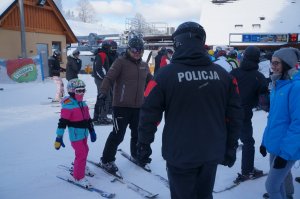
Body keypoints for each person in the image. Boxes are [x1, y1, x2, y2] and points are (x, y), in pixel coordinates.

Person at [136, 21, 243, 199]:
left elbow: (149, 114)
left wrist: (143, 144)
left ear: (177, 43)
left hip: (180, 153)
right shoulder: (224, 76)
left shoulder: (164, 75)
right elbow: (235, 115)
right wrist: (230, 146)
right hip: (211, 152)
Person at [98, 37, 153, 173]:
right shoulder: (120, 62)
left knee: (138, 134)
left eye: (140, 50)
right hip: (121, 106)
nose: (137, 53)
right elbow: (109, 78)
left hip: (138, 107)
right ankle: (106, 160)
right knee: (118, 134)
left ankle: (137, 155)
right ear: (128, 49)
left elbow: (151, 82)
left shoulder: (144, 65)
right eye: (134, 50)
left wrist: (160, 92)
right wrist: (103, 93)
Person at [260, 47, 300, 199]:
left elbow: (298, 124)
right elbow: (273, 118)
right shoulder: (278, 85)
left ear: (287, 64)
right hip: (276, 144)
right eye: (272, 63)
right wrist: (265, 141)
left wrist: (285, 153)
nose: (273, 66)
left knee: (271, 185)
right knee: (279, 183)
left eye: (277, 63)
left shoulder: (296, 87)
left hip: (287, 148)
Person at [230, 46, 268, 183]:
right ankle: (247, 171)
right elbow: (264, 101)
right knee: (248, 142)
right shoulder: (259, 77)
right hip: (243, 114)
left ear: (244, 56)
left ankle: (213, 161)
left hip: (228, 111)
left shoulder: (234, 72)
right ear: (257, 59)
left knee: (227, 136)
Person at [54, 78, 97, 188]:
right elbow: (62, 123)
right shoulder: (68, 106)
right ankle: (78, 177)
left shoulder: (83, 104)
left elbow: (88, 119)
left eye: (83, 90)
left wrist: (92, 131)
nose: (81, 93)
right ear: (71, 91)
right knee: (81, 153)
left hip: (84, 134)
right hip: (76, 135)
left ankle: (81, 167)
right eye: (78, 91)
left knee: (85, 150)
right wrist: (59, 137)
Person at [92, 42, 112, 125]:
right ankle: (102, 117)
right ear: (107, 48)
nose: (111, 49)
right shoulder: (102, 55)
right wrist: (104, 78)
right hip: (101, 80)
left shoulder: (101, 54)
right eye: (110, 48)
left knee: (101, 97)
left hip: (100, 79)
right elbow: (98, 68)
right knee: (106, 97)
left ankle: (97, 116)